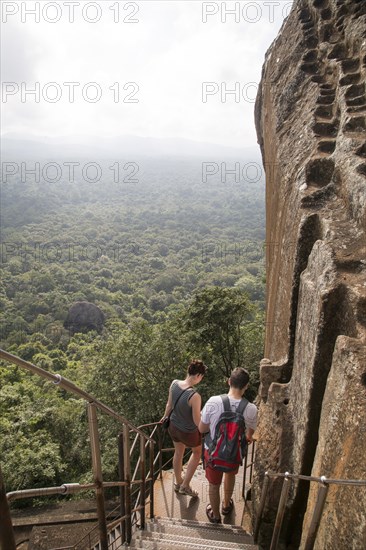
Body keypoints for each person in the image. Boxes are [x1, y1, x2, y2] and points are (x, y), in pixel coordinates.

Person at [199, 367, 258, 523]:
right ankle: (226, 505)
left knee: (213, 484)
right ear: (246, 387)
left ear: (229, 382)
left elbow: (202, 429)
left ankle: (216, 515)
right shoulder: (251, 409)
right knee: (230, 475)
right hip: (233, 454)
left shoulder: (213, 401)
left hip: (213, 454)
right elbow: (249, 434)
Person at [162, 359, 208, 498]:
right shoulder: (195, 396)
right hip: (188, 432)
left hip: (173, 427)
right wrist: (206, 425)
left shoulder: (174, 383)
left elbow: (169, 405)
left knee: (178, 452)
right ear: (198, 376)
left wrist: (164, 417)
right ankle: (185, 485)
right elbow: (196, 421)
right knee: (196, 452)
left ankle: (178, 482)